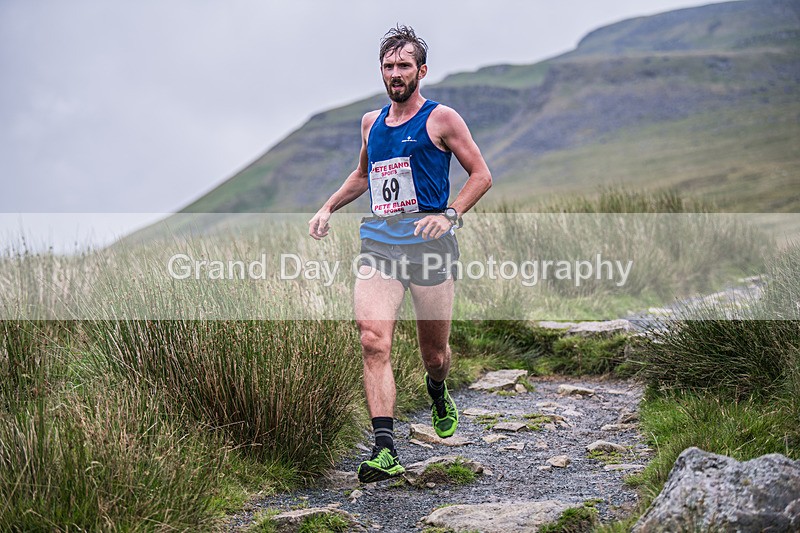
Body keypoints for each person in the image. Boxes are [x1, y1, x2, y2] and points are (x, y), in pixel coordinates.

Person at [308, 25, 492, 483]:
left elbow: (481, 175)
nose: (395, 73)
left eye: (404, 65)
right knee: (373, 339)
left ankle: (437, 390)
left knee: (435, 353)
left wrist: (450, 214)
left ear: (421, 71)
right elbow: (363, 174)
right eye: (388, 66)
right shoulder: (372, 123)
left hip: (430, 248)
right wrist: (328, 206)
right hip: (380, 245)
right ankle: (385, 448)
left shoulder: (441, 119)